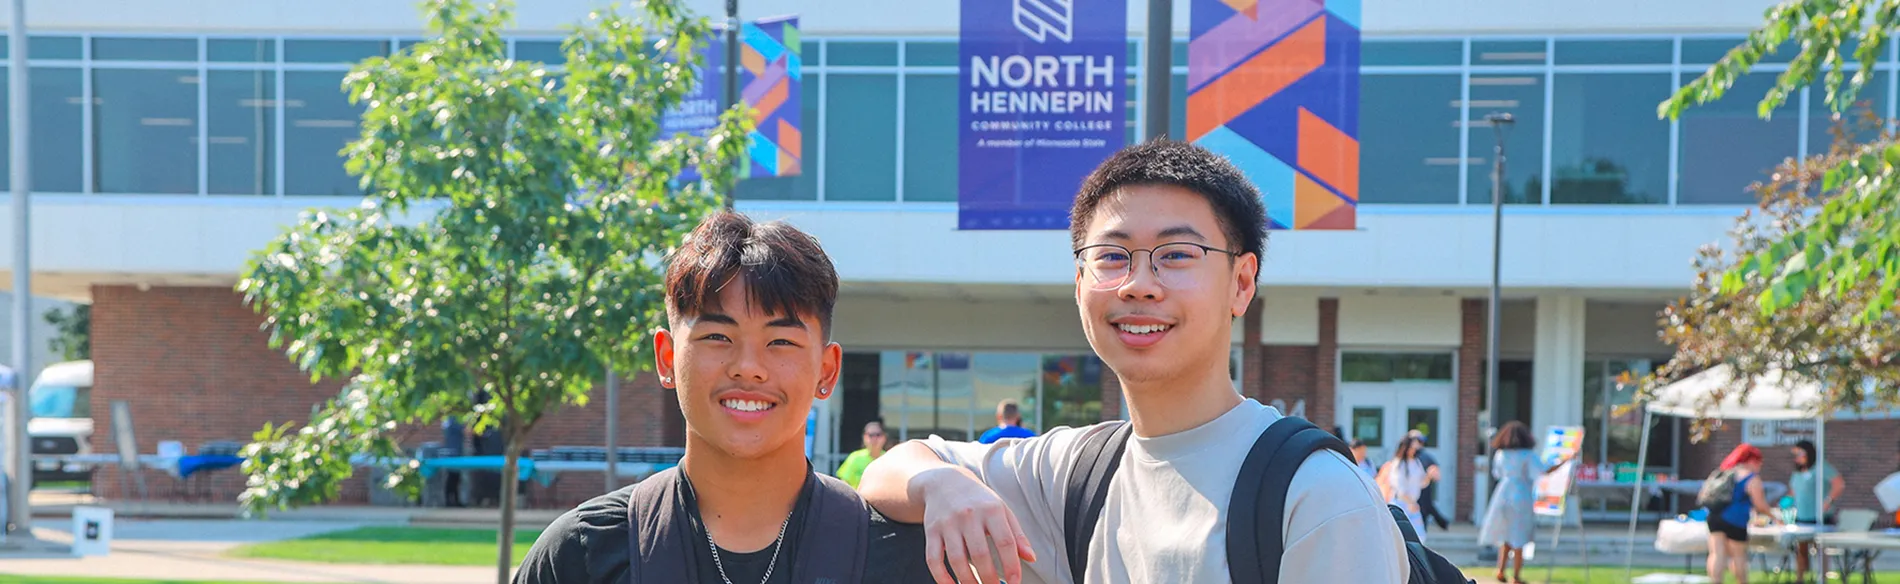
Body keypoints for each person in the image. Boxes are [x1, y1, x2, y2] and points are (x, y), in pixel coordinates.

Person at [860, 140, 1407, 584]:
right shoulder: (1073, 473)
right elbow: (890, 472)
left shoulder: (1316, 496)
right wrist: (943, 484)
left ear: (1241, 284)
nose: (1139, 285)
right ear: (1079, 287)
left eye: (1175, 255)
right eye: (1112, 257)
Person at [514, 212, 932, 584]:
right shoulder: (581, 556)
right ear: (666, 357)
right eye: (717, 336)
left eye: (781, 341)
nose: (748, 367)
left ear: (827, 371)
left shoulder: (900, 558)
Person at [1479, 421, 1569, 584]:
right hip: (1521, 495)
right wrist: (1563, 462)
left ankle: (1500, 570)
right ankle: (1516, 576)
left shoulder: (1501, 453)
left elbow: (1496, 473)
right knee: (1519, 536)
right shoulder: (1528, 454)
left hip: (1502, 494)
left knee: (1505, 536)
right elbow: (1542, 470)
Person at [1706, 444, 1780, 584]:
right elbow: (1760, 505)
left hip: (1714, 516)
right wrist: (1775, 518)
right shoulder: (1751, 478)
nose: (1760, 466)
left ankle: (1715, 581)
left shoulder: (1725, 472)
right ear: (1751, 460)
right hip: (1735, 520)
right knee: (1738, 555)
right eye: (1759, 462)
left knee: (1716, 553)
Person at [1790, 439, 1845, 582]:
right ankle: (1800, 578)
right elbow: (1794, 492)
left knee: (1820, 549)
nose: (1797, 457)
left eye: (1800, 453)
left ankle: (1822, 577)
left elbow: (1838, 484)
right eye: (1795, 454)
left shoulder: (1821, 468)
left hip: (1819, 517)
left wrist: (1828, 500)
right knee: (1801, 550)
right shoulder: (1798, 473)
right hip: (1802, 516)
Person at [1379, 436, 1436, 543]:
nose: (1414, 449)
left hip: (1413, 505)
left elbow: (1422, 483)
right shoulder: (1398, 464)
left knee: (1420, 537)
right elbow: (1399, 489)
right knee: (1400, 538)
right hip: (1401, 504)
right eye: (1412, 447)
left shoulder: (1416, 462)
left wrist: (1429, 475)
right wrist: (1410, 503)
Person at [1407, 428, 1452, 531]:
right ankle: (1443, 522)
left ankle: (1441, 523)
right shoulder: (1408, 458)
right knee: (1427, 508)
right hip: (1412, 491)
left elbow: (1436, 473)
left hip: (1423, 489)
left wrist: (1429, 476)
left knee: (1424, 509)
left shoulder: (1423, 456)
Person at [836, 420, 889, 489]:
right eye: (871, 435)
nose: (874, 439)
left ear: (884, 437)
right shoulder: (855, 458)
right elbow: (844, 483)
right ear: (864, 437)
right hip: (857, 498)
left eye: (878, 435)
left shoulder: (888, 459)